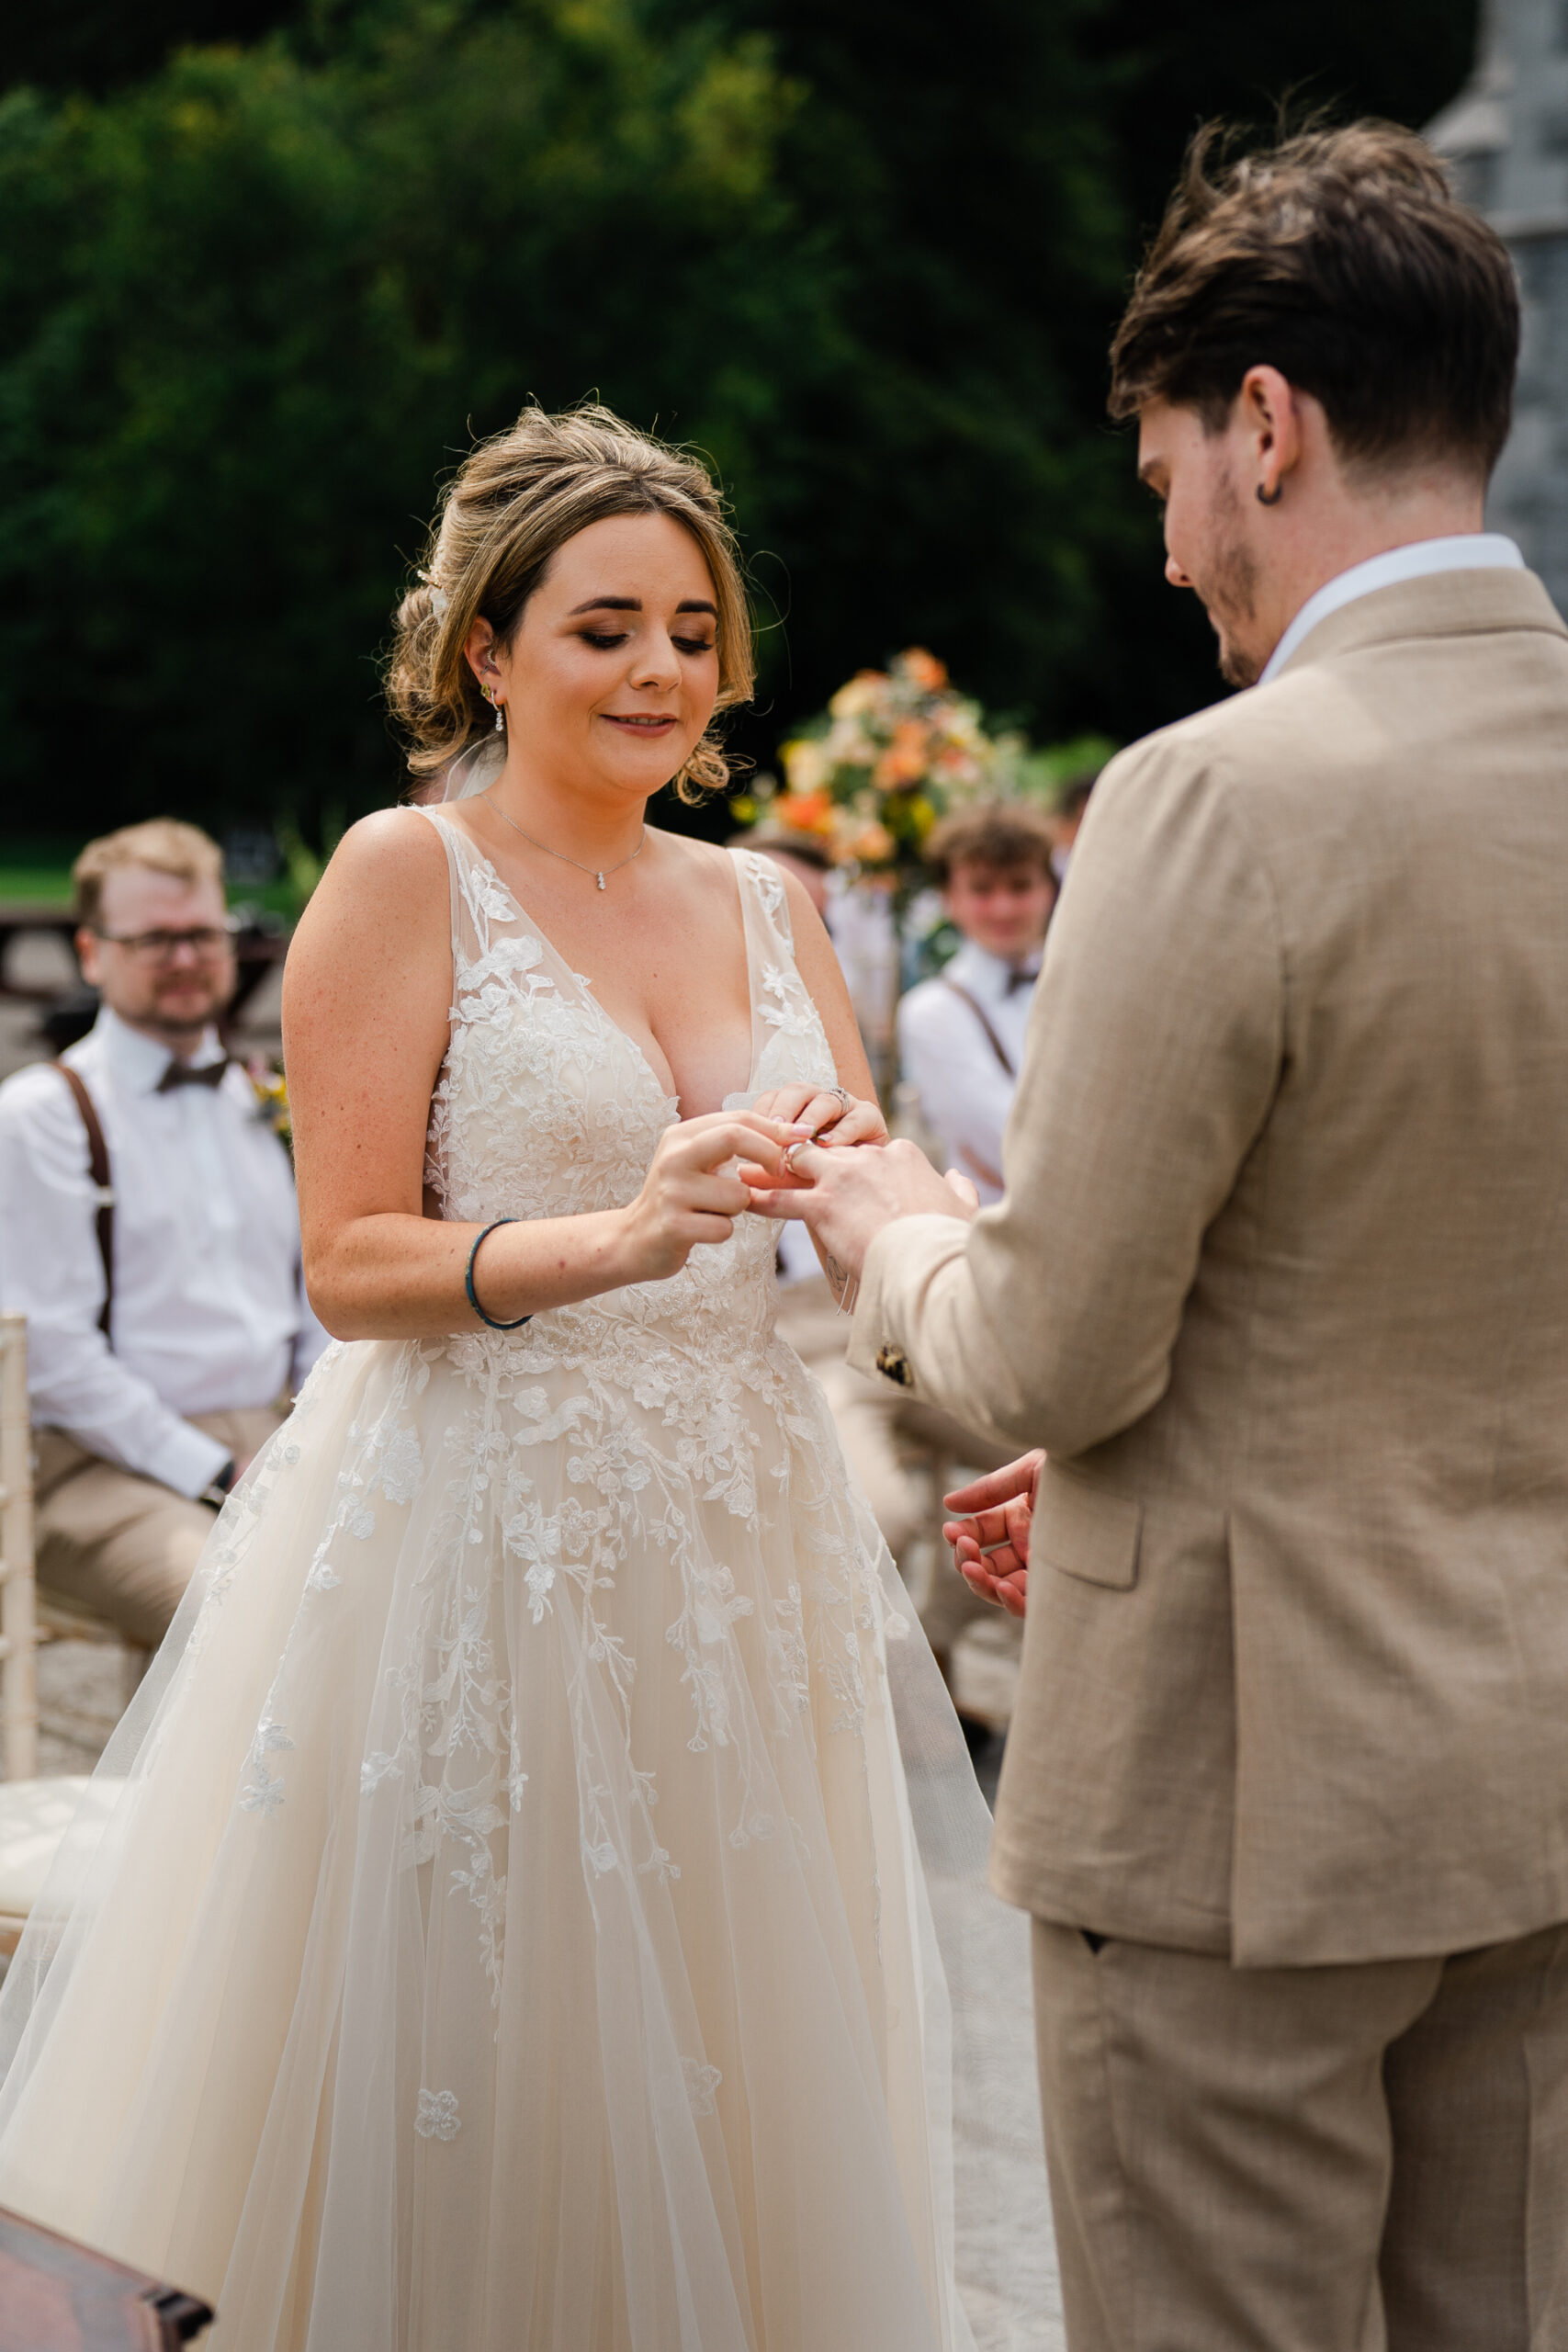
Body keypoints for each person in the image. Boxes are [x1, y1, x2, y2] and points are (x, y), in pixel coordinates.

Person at [0, 405, 1044, 2347]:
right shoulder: (408, 874)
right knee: (489, 2041)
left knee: (737, 2048)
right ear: (487, 645)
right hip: (480, 1541)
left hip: (737, 1533)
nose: (660, 667)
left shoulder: (771, 903)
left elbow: (867, 1197)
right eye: (603, 626)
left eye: (690, 626)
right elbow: (353, 1262)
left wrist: (1023, 1403)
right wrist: (620, 1237)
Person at [748, 122, 1568, 2350]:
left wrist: (885, 1216)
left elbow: (1046, 1350)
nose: (1175, 549)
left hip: (1237, 1808)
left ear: (1267, 426)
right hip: (1529, 1770)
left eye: (1164, 476)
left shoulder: (1216, 789)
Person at [0, 820, 326, 1650]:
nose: (185, 958)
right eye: (153, 939)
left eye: (202, 934)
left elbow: (317, 1293)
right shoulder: (44, 1114)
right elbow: (53, 1355)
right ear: (90, 952)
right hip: (101, 1468)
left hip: (280, 1439)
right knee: (242, 1610)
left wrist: (310, 1433)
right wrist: (216, 1471)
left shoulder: (264, 1098)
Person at [897, 803, 1058, 1205]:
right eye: (982, 890)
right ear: (949, 899)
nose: (1003, 908)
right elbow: (1010, 1144)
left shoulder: (1080, 983)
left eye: (1020, 886)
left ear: (1049, 891)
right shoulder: (932, 1012)